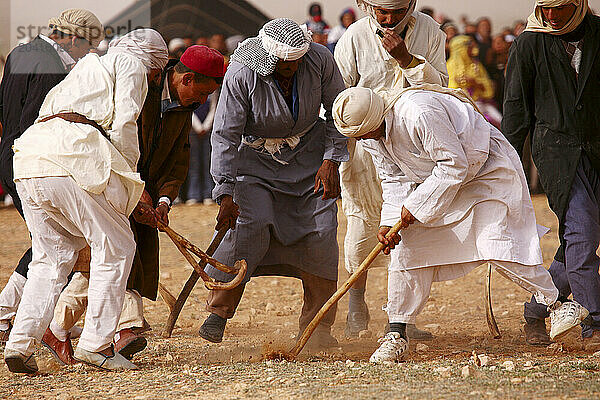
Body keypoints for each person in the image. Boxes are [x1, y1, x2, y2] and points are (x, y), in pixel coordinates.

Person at [332, 84, 589, 363]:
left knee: (496, 244)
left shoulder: (419, 112)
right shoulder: (370, 137)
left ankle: (559, 304)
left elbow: (454, 164)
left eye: (362, 135)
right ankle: (397, 333)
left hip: (484, 172)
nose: (361, 141)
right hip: (436, 184)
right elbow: (393, 179)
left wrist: (416, 205)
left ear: (373, 120)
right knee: (408, 250)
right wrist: (390, 221)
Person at [41, 45, 225, 365]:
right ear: (186, 79)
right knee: (121, 254)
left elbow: (178, 159)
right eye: (203, 92)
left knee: (112, 257)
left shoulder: (182, 108)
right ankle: (126, 328)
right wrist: (129, 187)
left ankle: (57, 327)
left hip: (146, 196)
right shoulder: (139, 84)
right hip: (104, 182)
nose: (204, 101)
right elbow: (113, 136)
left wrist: (165, 199)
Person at [3, 28, 169, 374]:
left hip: (31, 158)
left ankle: (19, 344)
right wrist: (131, 185)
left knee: (51, 258)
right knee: (118, 245)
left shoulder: (88, 64)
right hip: (71, 155)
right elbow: (124, 124)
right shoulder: (133, 65)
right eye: (158, 74)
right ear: (155, 65)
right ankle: (96, 345)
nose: (155, 81)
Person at [199, 18, 348, 349]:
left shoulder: (320, 59)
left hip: (311, 162)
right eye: (284, 64)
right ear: (268, 57)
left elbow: (339, 110)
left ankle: (318, 328)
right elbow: (225, 133)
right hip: (255, 165)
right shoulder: (242, 71)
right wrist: (224, 190)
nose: (291, 69)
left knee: (322, 233)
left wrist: (331, 160)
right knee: (251, 226)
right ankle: (219, 311)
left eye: (296, 63)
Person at [333, 0, 448, 339]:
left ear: (410, 6)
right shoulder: (354, 38)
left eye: (397, 13)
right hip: (364, 149)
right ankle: (357, 303)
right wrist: (332, 155)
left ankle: (402, 320)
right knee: (362, 226)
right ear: (367, 7)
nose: (388, 20)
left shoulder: (429, 32)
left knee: (408, 230)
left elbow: (440, 84)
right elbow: (338, 100)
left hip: (414, 144)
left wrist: (407, 60)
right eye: (382, 13)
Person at [0, 8, 103, 345]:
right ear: (73, 37)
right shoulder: (52, 66)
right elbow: (37, 121)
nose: (85, 54)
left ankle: (11, 317)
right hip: (32, 159)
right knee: (54, 243)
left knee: (48, 242)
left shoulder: (20, 52)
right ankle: (6, 317)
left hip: (8, 154)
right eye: (86, 46)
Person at [502, 0, 600, 351]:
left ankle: (536, 308)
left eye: (561, 8)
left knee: (577, 241)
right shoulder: (529, 44)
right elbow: (515, 109)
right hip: (557, 154)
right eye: (546, 9)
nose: (552, 16)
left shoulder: (598, 34)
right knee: (583, 233)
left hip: (596, 151)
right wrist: (507, 167)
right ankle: (594, 321)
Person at [447, 35, 502, 128]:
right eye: (468, 47)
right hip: (462, 106)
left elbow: (488, 87)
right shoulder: (449, 66)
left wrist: (475, 83)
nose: (471, 49)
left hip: (481, 103)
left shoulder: (476, 65)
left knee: (501, 122)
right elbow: (449, 91)